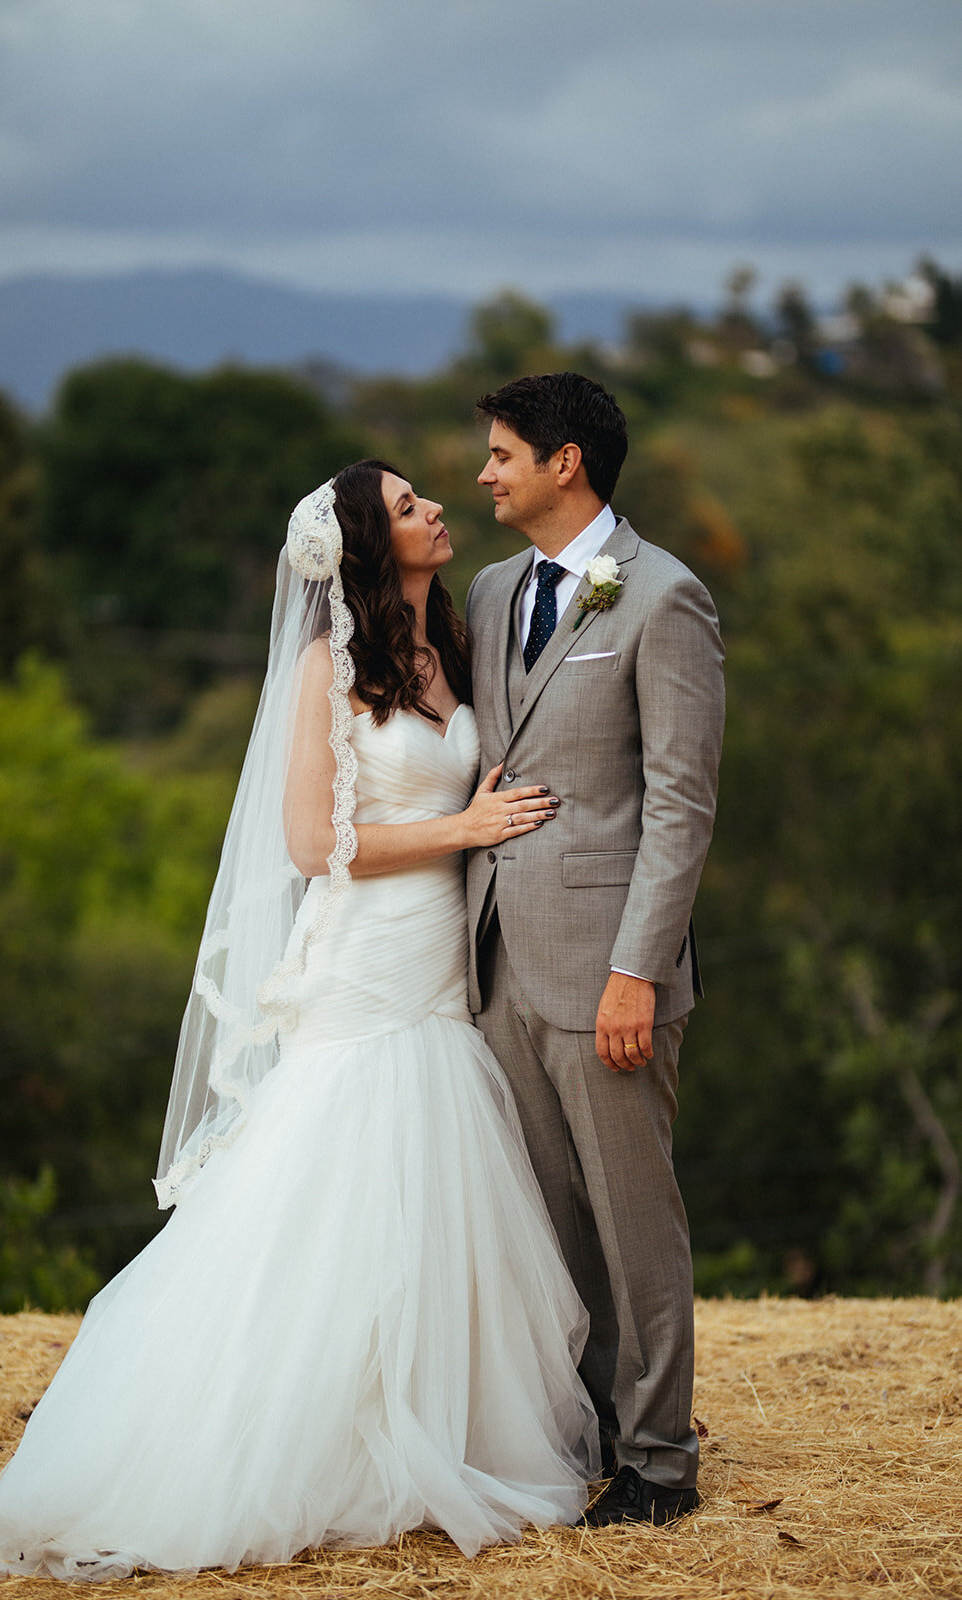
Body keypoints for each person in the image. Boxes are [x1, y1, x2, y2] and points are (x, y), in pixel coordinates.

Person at [0, 459, 600, 1580]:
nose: (436, 508)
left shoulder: (450, 645)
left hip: (442, 963)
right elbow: (315, 846)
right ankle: (273, 1437)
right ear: (367, 541)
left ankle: (426, 1422)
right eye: (408, 507)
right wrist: (467, 830)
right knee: (342, 1170)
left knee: (433, 1180)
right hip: (365, 962)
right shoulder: (326, 667)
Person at [466, 373, 725, 1526]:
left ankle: (660, 1464)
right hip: (495, 963)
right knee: (552, 1220)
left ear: (564, 462)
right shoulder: (484, 591)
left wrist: (637, 969)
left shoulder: (662, 597)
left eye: (502, 453)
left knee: (632, 1222)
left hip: (608, 969)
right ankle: (590, 1434)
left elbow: (678, 804)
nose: (483, 473)